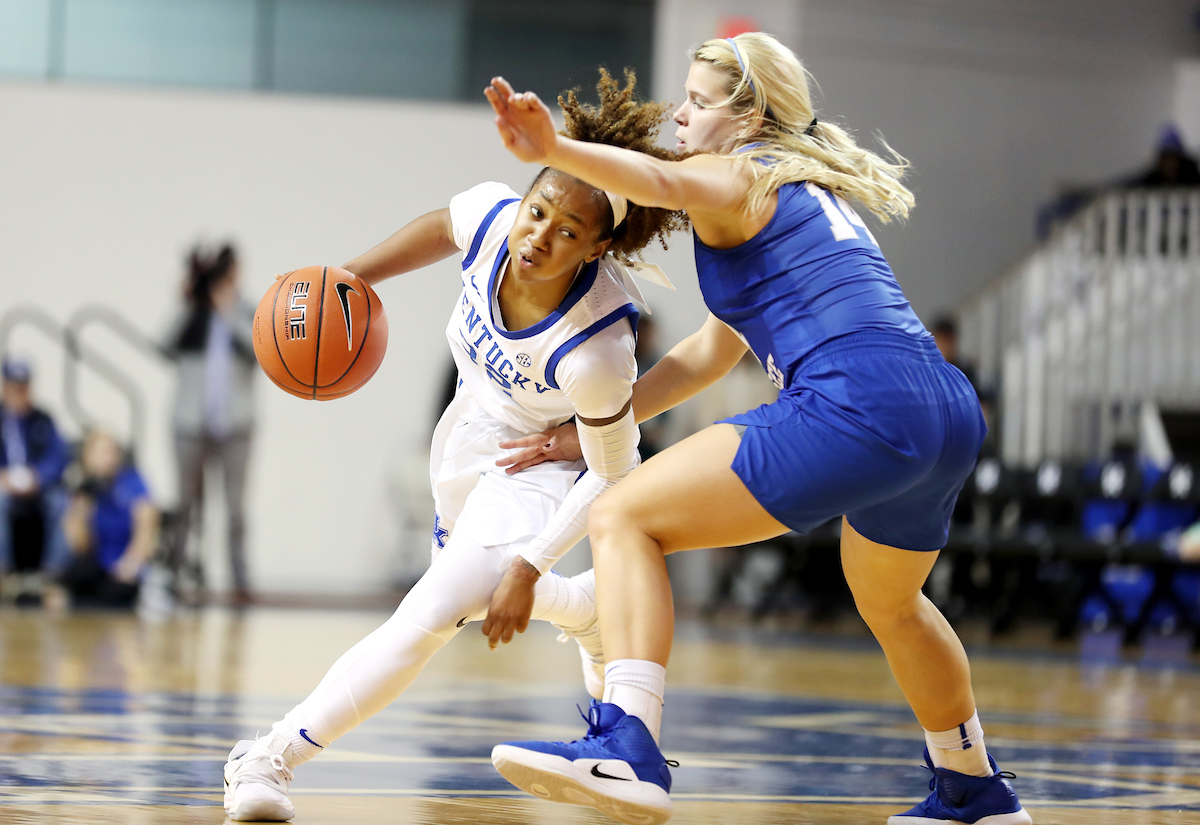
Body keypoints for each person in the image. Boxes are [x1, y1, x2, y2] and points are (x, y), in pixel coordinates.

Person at [485, 32, 1031, 825]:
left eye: (700, 102)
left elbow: (658, 179)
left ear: (749, 116)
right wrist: (595, 422)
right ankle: (973, 787)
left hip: (857, 397)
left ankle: (627, 744)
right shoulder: (801, 187)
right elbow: (711, 352)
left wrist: (554, 147)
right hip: (942, 405)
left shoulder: (729, 171)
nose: (681, 112)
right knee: (895, 602)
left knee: (621, 513)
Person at [221, 70, 686, 822]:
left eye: (568, 231)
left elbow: (616, 470)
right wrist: (349, 276)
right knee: (464, 597)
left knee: (433, 609)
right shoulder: (492, 217)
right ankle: (587, 613)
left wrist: (532, 566)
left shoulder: (597, 351)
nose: (539, 235)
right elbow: (444, 225)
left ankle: (270, 755)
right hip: (466, 439)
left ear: (599, 245)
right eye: (538, 211)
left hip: (544, 464)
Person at [161, 244, 257, 604]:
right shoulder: (192, 316)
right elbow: (161, 345)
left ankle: (240, 582)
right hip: (189, 425)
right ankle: (176, 575)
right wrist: (189, 301)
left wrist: (227, 309)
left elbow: (261, 350)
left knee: (235, 508)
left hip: (236, 427)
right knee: (185, 504)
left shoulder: (248, 312)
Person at [59, 428, 158, 608]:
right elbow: (81, 546)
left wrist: (131, 564)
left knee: (116, 592)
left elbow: (146, 528)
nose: (108, 459)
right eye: (101, 453)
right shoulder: (85, 490)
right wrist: (80, 510)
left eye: (112, 452)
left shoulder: (132, 482)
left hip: (125, 568)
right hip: (97, 568)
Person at [0, 356, 70, 600]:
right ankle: (3, 571)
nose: (19, 392)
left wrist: (37, 478)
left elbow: (58, 457)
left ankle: (54, 573)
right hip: (4, 487)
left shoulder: (43, 419)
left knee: (60, 500)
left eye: (24, 386)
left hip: (37, 488)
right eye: (14, 386)